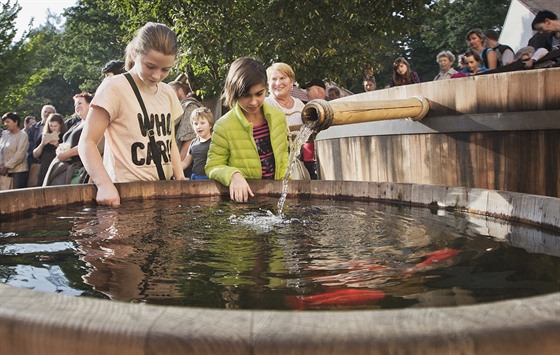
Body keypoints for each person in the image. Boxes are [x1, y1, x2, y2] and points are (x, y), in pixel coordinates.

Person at [79, 22, 185, 207]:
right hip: (125, 194)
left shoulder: (168, 92)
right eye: (150, 66)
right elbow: (86, 142)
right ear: (135, 53)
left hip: (164, 195)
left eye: (165, 69)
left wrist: (180, 177)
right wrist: (104, 185)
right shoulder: (114, 87)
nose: (156, 75)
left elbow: (169, 141)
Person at [205, 57, 289, 202]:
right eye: (246, 96)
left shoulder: (278, 117)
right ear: (234, 92)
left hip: (277, 200)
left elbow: (284, 160)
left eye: (259, 94)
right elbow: (213, 166)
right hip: (243, 203)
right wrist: (233, 175)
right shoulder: (223, 125)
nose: (253, 102)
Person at [168, 78, 203, 178]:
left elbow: (188, 139)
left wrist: (177, 172)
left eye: (171, 92)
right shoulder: (178, 107)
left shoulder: (190, 106)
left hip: (186, 168)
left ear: (180, 91)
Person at [265, 62, 306, 129]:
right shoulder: (265, 105)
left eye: (282, 78)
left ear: (291, 82)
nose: (278, 83)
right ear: (268, 83)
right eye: (274, 79)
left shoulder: (300, 104)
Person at [26, 104, 56, 187]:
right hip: (35, 163)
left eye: (49, 112)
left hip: (50, 163)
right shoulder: (34, 128)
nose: (47, 114)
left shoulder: (57, 127)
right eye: (45, 112)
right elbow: (30, 145)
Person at [32, 113, 66, 186]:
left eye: (55, 126)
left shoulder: (64, 136)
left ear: (60, 125)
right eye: (51, 126)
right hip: (44, 166)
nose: (53, 128)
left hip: (58, 167)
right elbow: (35, 154)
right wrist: (42, 144)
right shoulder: (43, 136)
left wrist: (57, 145)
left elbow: (66, 153)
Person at [181, 107, 213, 180]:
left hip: (210, 179)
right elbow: (186, 162)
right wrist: (173, 169)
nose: (198, 126)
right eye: (195, 124)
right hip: (195, 179)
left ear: (210, 125)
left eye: (202, 123)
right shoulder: (194, 142)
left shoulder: (214, 141)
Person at [0, 112, 29, 189]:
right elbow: (1, 150)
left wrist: (6, 166)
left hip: (18, 172)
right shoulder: (5, 134)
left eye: (8, 122)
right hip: (4, 172)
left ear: (16, 122)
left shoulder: (23, 135)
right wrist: (1, 165)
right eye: (5, 122)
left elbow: (20, 154)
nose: (6, 124)